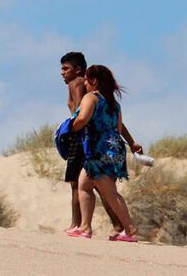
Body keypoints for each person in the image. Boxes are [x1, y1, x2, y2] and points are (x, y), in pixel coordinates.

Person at [66, 64, 140, 242]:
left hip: (99, 149)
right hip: (114, 148)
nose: (84, 83)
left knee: (110, 193)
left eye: (86, 79)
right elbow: (119, 127)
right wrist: (131, 143)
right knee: (84, 185)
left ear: (93, 81)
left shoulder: (91, 97)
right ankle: (85, 227)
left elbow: (82, 119)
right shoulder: (114, 104)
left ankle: (129, 229)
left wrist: (70, 128)